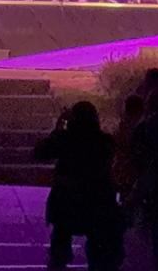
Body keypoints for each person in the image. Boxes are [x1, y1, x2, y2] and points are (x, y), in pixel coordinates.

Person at [34, 102, 123, 271]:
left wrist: (59, 128)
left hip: (67, 201)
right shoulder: (104, 141)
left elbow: (40, 152)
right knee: (99, 251)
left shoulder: (65, 140)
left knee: (60, 245)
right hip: (97, 202)